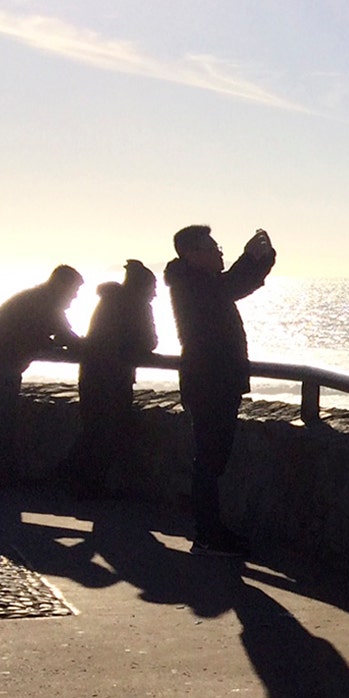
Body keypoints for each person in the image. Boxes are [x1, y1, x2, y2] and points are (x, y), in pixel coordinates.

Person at [165, 225, 275, 556]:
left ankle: (209, 529)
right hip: (210, 382)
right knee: (210, 460)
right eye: (212, 247)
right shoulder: (192, 284)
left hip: (211, 381)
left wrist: (260, 259)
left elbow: (233, 285)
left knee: (211, 459)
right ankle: (208, 533)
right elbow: (232, 286)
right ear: (193, 254)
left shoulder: (196, 282)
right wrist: (255, 259)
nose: (219, 253)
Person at [62, 260, 159, 493]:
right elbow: (149, 341)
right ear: (143, 286)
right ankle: (87, 483)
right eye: (152, 288)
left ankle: (77, 480)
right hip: (115, 376)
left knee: (93, 427)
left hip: (92, 372)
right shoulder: (137, 306)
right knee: (108, 430)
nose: (155, 293)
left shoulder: (108, 302)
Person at [0, 265, 84, 481]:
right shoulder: (47, 304)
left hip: (8, 364)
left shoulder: (34, 299)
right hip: (6, 367)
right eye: (74, 291)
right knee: (4, 421)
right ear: (62, 285)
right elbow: (69, 339)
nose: (74, 297)